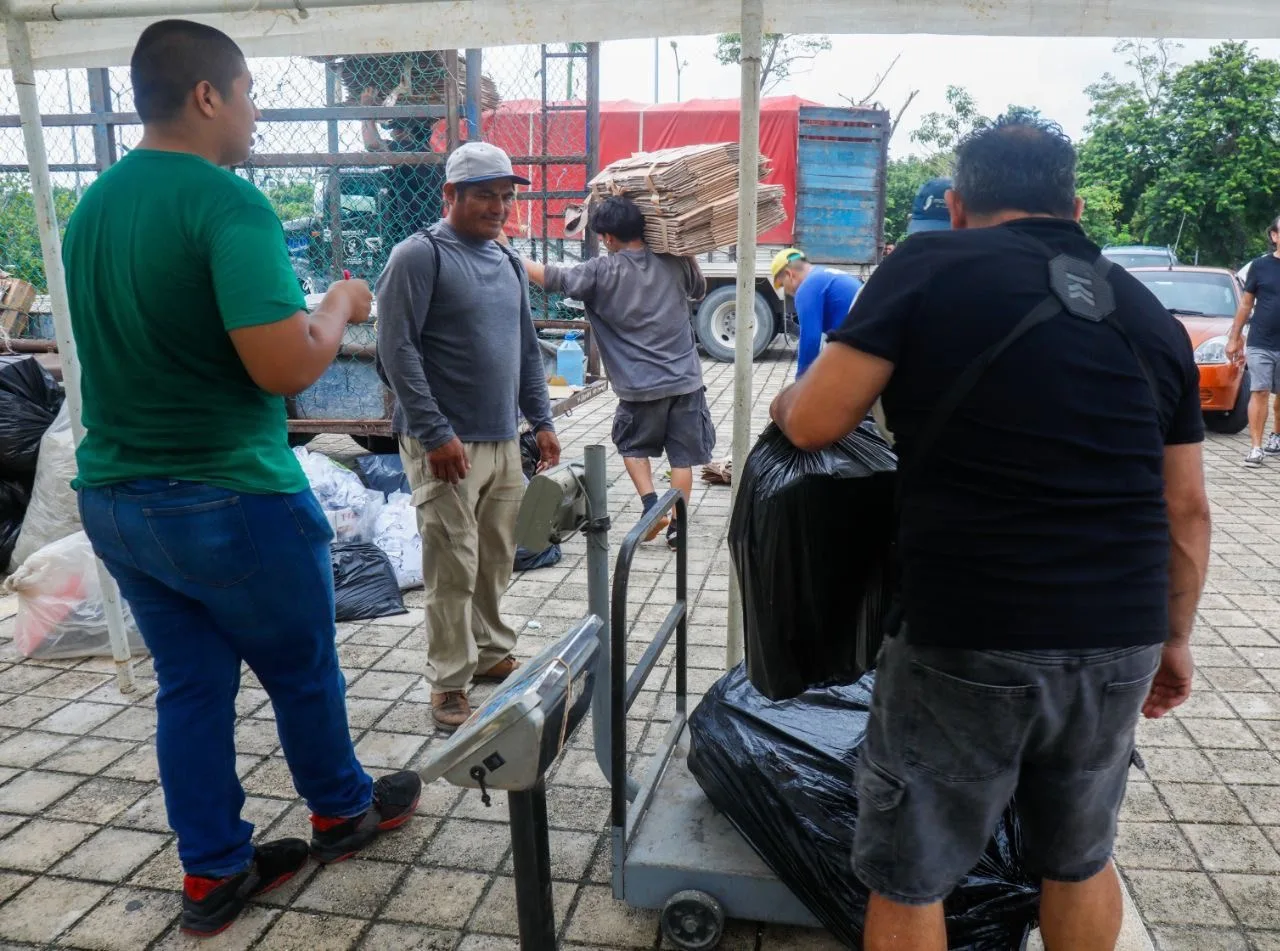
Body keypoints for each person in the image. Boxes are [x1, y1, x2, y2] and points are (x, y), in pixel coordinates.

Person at [771, 116, 1211, 951]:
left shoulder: (928, 265)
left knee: (911, 871)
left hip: (968, 635)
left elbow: (817, 421)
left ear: (960, 204)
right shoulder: (1148, 312)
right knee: (1079, 858)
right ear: (1075, 206)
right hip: (1119, 638)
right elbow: (1186, 508)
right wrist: (1175, 639)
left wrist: (782, 401)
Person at [61, 20, 422, 938]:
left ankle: (213, 873)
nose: (258, 112)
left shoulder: (94, 207)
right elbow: (283, 365)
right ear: (207, 96)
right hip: (226, 491)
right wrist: (340, 302)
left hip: (116, 496)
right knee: (302, 668)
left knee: (190, 686)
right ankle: (342, 812)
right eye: (251, 92)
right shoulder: (228, 205)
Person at [376, 140, 560, 732]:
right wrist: (435, 432)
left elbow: (527, 350)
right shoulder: (418, 256)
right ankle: (448, 683)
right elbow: (394, 351)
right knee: (452, 564)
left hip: (503, 438)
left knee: (495, 557)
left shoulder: (506, 261)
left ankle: (487, 651)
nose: (499, 207)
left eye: (506, 197)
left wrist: (544, 421)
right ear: (450, 194)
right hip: (445, 444)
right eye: (485, 195)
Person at [523, 195, 713, 547]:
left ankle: (651, 504)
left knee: (630, 444)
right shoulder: (673, 262)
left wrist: (511, 257)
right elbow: (698, 289)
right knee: (682, 455)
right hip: (686, 381)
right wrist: (686, 248)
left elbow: (552, 279)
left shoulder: (601, 270)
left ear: (609, 238)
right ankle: (678, 525)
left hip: (639, 388)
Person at [1227, 216, 1280, 466]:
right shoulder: (1260, 266)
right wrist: (1234, 338)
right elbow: (1246, 304)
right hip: (1261, 340)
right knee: (1259, 391)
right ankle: (1256, 447)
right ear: (1274, 236)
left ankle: (1276, 436)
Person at [770, 247, 862, 378]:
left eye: (783, 285)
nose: (786, 291)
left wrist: (801, 383)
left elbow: (810, 339)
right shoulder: (822, 275)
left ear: (789, 274)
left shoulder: (807, 288)